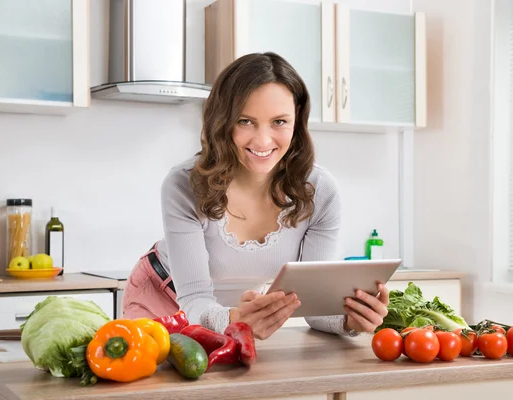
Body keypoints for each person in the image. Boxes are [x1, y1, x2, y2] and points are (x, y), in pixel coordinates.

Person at [122, 52, 389, 339]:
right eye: (245, 121)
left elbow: (313, 307)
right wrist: (235, 319)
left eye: (279, 122)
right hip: (164, 297)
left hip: (238, 313)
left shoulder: (319, 191)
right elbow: (195, 299)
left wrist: (350, 319)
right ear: (222, 121)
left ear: (297, 120)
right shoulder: (185, 185)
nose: (263, 141)